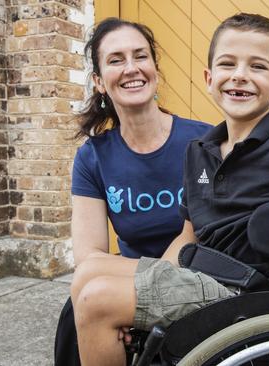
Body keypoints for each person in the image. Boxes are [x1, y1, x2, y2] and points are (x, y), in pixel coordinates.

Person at [70, 13, 269, 366]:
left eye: (257, 67)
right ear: (209, 79)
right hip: (202, 275)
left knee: (97, 301)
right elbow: (188, 236)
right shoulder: (199, 150)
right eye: (228, 64)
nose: (240, 75)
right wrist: (148, 295)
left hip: (251, 293)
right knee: (88, 275)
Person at [53, 18, 212, 366]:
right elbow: (89, 256)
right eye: (115, 60)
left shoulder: (202, 142)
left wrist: (139, 296)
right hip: (124, 279)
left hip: (193, 273)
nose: (131, 68)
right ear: (98, 81)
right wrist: (126, 297)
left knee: (93, 294)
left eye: (140, 56)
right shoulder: (93, 156)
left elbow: (199, 236)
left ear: (154, 68)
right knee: (78, 300)